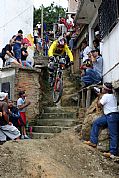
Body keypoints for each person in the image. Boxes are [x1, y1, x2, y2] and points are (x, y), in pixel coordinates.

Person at [84, 83, 119, 158]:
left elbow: (99, 105)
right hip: (109, 115)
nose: (102, 89)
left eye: (103, 88)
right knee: (96, 123)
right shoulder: (113, 96)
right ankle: (93, 142)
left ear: (105, 90)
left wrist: (99, 96)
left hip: (111, 116)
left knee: (113, 134)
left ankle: (112, 153)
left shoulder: (106, 96)